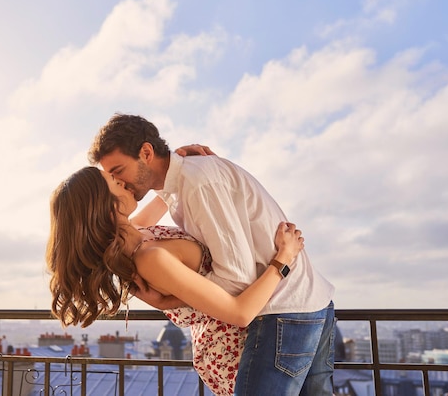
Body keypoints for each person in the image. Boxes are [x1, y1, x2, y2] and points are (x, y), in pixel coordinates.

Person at [88, 113, 336, 396]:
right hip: (300, 302)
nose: (119, 182)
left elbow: (236, 281)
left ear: (146, 152)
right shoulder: (181, 187)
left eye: (118, 171)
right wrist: (175, 162)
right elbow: (135, 223)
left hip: (282, 310)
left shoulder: (197, 182)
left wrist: (170, 298)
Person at [45, 166, 304, 395]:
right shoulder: (149, 258)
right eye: (114, 181)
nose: (122, 181)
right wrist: (283, 259)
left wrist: (180, 160)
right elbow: (240, 312)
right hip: (235, 349)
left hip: (245, 340)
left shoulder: (135, 233)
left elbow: (165, 193)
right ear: (106, 205)